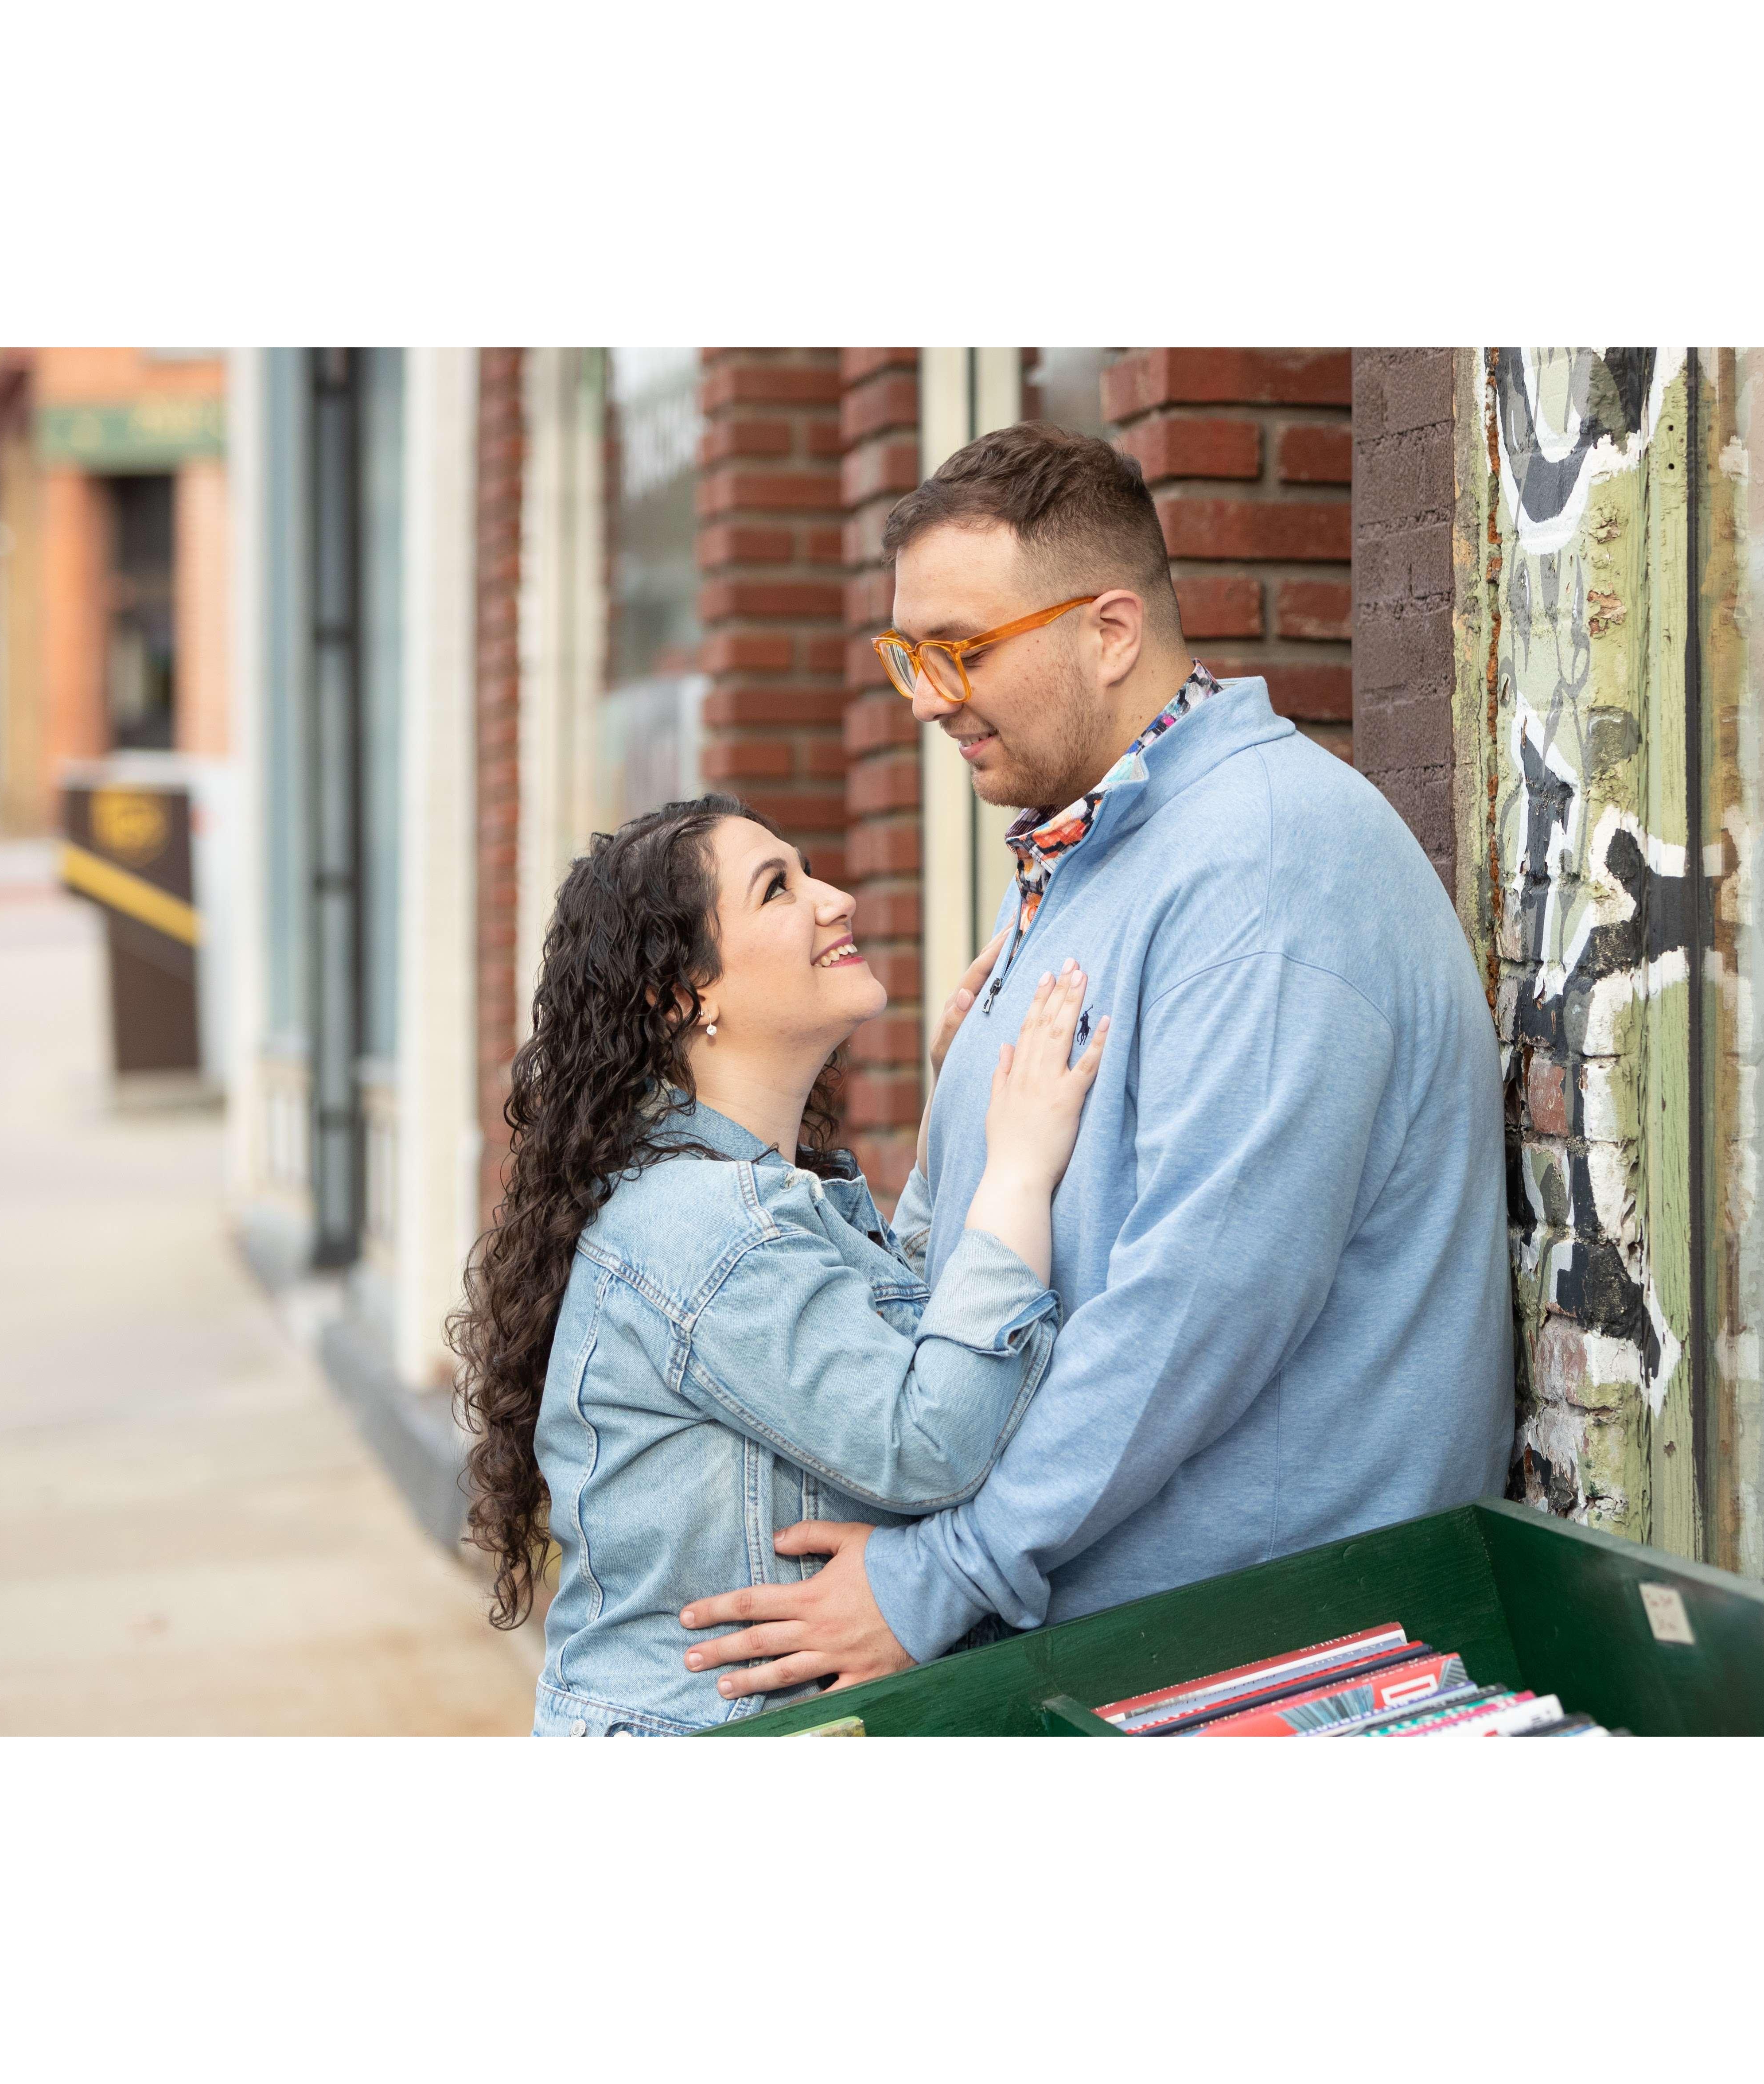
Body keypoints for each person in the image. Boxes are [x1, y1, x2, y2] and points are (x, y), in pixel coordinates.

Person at [680, 423, 1515, 1701]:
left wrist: (938, 1576)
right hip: (1133, 1664)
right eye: (906, 653)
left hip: (1263, 1675)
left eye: (958, 651)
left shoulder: (1268, 863)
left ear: (1110, 631)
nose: (923, 697)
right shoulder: (1091, 855)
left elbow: (1198, 1308)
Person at [448, 793, 1105, 1735]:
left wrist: (951, 1130)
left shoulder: (747, 1192)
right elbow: (926, 1440)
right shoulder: (705, 1223)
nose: (835, 898)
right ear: (685, 995)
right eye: (779, 889)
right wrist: (1018, 1166)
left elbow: (883, 1336)